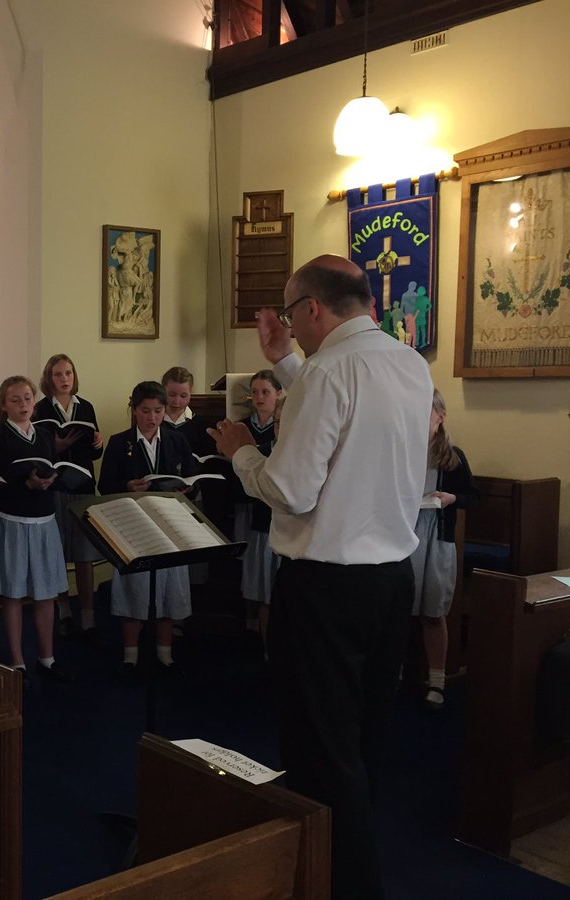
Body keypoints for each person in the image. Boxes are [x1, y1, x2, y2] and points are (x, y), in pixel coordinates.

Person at [208, 254, 433, 900]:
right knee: (362, 742)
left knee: (319, 752)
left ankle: (340, 883)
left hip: (325, 589)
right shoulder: (408, 363)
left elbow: (291, 489)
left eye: (289, 315)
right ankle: (336, 866)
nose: (287, 328)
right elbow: (343, 406)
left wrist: (241, 454)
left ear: (312, 308)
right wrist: (286, 362)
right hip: (390, 580)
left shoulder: (327, 373)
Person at [98, 382, 198, 674]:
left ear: (164, 411)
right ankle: (130, 654)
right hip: (134, 525)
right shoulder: (120, 442)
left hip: (169, 524)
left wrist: (187, 490)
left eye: (157, 411)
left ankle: (165, 653)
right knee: (134, 587)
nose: (152, 418)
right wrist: (128, 486)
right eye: (145, 411)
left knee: (168, 589)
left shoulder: (177, 440)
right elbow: (105, 486)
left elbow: (192, 478)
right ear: (134, 410)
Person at [0, 375, 71, 684]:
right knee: (14, 593)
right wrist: (26, 484)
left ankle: (47, 657)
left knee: (46, 592)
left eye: (27, 398)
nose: (23, 404)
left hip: (44, 519)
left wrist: (50, 481)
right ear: (4, 406)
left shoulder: (44, 435)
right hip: (13, 520)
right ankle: (17, 661)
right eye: (15, 399)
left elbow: (54, 468)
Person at [410, 388, 479, 711]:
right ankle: (393, 672)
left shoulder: (451, 455)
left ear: (440, 416)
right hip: (405, 537)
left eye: (424, 409)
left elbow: (472, 496)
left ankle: (437, 681)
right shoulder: (402, 447)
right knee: (397, 609)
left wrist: (452, 498)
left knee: (433, 612)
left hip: (437, 537)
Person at [34, 354, 105, 643]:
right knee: (59, 553)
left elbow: (94, 451)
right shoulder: (40, 409)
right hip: (55, 487)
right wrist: (56, 447)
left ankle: (88, 616)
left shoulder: (85, 407)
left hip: (83, 485)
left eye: (68, 373)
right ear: (48, 379)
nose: (64, 379)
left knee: (85, 555)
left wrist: (98, 444)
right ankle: (64, 611)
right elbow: (36, 452)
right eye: (58, 374)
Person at [237, 370, 283, 657]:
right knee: (264, 591)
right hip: (263, 522)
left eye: (265, 391)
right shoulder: (261, 447)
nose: (259, 397)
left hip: (293, 529)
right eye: (255, 392)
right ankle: (266, 649)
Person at [159, 366, 214, 457]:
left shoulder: (202, 425)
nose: (177, 402)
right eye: (172, 395)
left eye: (183, 396)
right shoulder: (154, 422)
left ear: (190, 393)